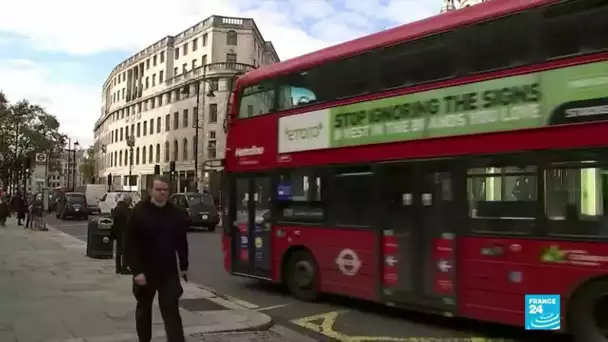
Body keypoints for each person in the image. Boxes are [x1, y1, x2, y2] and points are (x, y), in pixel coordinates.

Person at [125, 175, 189, 342]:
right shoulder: (139, 211)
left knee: (171, 311)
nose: (162, 193)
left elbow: (181, 241)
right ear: (150, 191)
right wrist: (136, 271)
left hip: (168, 271)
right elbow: (130, 243)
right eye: (159, 189)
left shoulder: (175, 213)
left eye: (165, 190)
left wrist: (184, 266)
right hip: (145, 271)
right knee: (144, 310)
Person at [110, 194, 132, 274]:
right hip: (125, 232)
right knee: (126, 251)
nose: (131, 202)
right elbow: (129, 222)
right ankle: (124, 268)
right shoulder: (127, 210)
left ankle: (118, 268)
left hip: (117, 232)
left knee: (118, 251)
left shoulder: (116, 208)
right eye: (130, 201)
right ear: (127, 201)